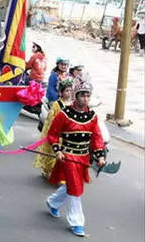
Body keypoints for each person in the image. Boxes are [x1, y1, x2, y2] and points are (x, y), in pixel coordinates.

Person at [44, 81, 106, 237]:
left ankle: (53, 202)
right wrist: (57, 151)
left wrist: (100, 155)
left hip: (83, 157)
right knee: (76, 188)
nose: (85, 99)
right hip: (68, 157)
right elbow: (52, 135)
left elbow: (97, 137)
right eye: (82, 95)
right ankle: (77, 222)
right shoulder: (64, 114)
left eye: (87, 95)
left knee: (73, 185)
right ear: (75, 96)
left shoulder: (92, 116)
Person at [33, 78, 75, 179]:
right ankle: (49, 171)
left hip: (69, 134)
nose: (68, 93)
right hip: (58, 133)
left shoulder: (73, 104)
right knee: (54, 154)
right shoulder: (57, 104)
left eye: (70, 90)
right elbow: (51, 119)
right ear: (61, 92)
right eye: (66, 91)